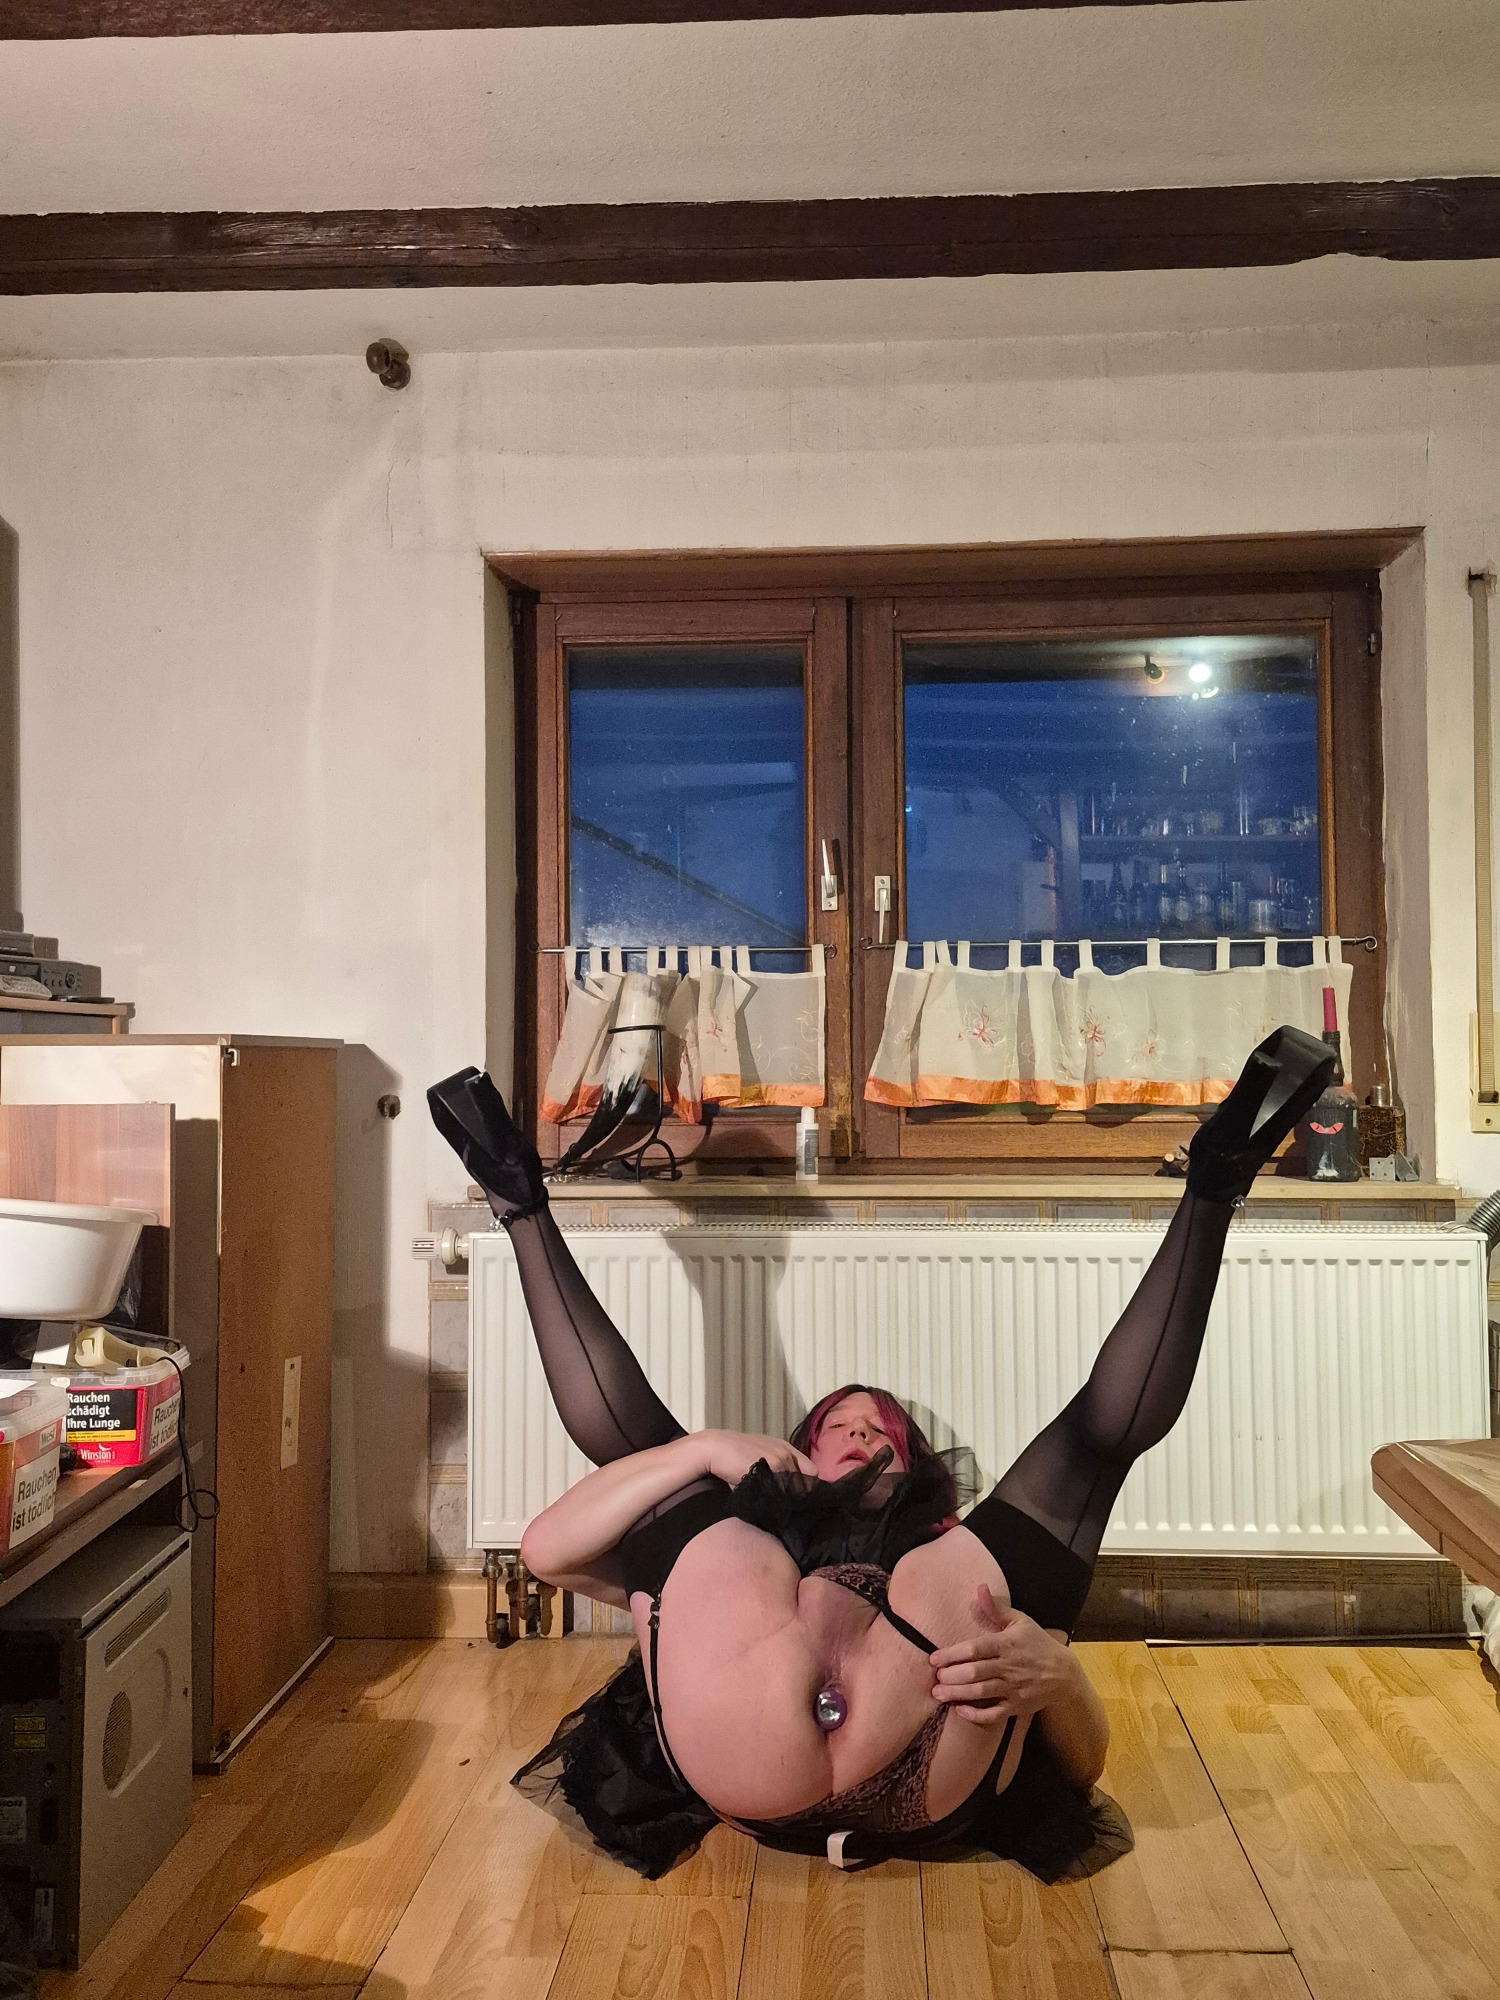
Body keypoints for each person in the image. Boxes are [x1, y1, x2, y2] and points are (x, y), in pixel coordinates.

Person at [429, 1025, 1334, 1878]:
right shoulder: (735, 1543)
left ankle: (1215, 1184)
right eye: (841, 1427)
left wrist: (1061, 1677)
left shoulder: (955, 1561)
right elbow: (547, 1551)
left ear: (917, 1469)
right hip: (748, 1766)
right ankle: (519, 1200)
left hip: (927, 1781)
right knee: (706, 1525)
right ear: (796, 1453)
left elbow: (1085, 1763)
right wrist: (701, 1449)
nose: (864, 1436)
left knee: (1081, 1455)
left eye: (885, 1433)